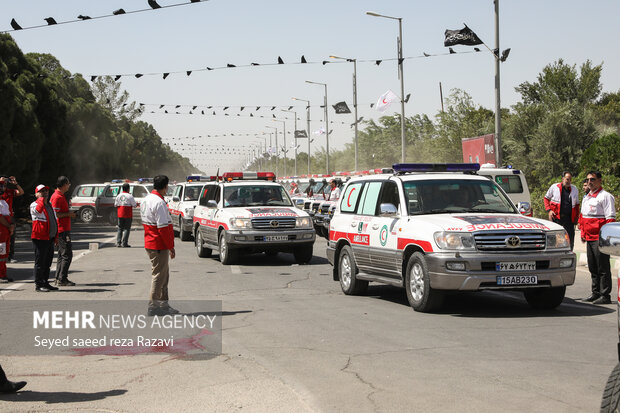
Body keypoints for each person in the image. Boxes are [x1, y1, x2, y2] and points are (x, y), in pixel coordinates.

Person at [140, 175, 177, 316]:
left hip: (150, 242)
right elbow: (162, 228)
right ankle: (153, 306)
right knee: (158, 276)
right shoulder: (159, 203)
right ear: (165, 186)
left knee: (164, 275)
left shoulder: (147, 199)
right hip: (158, 244)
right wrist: (171, 246)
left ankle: (163, 305)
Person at [579, 171, 616, 304]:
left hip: (599, 238)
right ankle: (595, 293)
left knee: (603, 267)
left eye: (592, 179)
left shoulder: (606, 196)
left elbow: (610, 219)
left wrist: (605, 238)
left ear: (600, 180)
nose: (589, 182)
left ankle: (605, 295)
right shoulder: (587, 197)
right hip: (589, 238)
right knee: (592, 266)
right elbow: (583, 217)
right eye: (588, 179)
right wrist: (583, 233)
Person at [30, 185, 59, 292]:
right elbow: (38, 211)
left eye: (46, 190)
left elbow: (54, 220)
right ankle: (39, 284)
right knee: (40, 262)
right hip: (40, 238)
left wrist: (56, 236)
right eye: (41, 191)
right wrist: (41, 199)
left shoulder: (49, 205)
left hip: (49, 238)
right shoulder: (34, 204)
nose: (45, 192)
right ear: (36, 194)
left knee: (47, 263)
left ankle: (45, 282)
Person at [543, 171, 580, 250]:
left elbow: (577, 205)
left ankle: (569, 252)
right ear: (562, 179)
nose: (568, 181)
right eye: (567, 179)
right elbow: (546, 198)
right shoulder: (554, 187)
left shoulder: (574, 189)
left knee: (570, 239)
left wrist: (577, 217)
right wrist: (549, 210)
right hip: (557, 219)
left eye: (570, 179)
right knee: (556, 239)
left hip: (569, 219)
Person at [50, 176, 76, 286]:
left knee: (62, 254)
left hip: (63, 229)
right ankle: (62, 278)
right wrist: (69, 214)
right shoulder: (57, 197)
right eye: (68, 184)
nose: (69, 186)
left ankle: (58, 277)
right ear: (64, 184)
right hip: (61, 229)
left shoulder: (60, 196)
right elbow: (55, 214)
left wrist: (68, 213)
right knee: (67, 255)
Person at [0, 176, 24, 263]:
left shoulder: (10, 192)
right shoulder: (1, 192)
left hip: (9, 217)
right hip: (1, 217)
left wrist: (16, 184)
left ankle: (10, 256)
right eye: (2, 183)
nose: (4, 184)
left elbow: (21, 192)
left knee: (11, 237)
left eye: (5, 182)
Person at [114, 183, 136, 247]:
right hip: (128, 215)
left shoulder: (119, 195)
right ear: (128, 189)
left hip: (120, 214)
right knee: (127, 228)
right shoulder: (130, 196)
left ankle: (118, 242)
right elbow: (134, 205)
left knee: (120, 228)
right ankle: (125, 243)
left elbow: (115, 205)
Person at [0, 181, 13, 283]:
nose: (2, 188)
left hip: (6, 231)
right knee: (1, 254)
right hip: (1, 230)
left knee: (4, 254)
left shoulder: (3, 201)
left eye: (3, 186)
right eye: (0, 186)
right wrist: (9, 226)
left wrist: (11, 227)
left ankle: (3, 274)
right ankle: (1, 275)